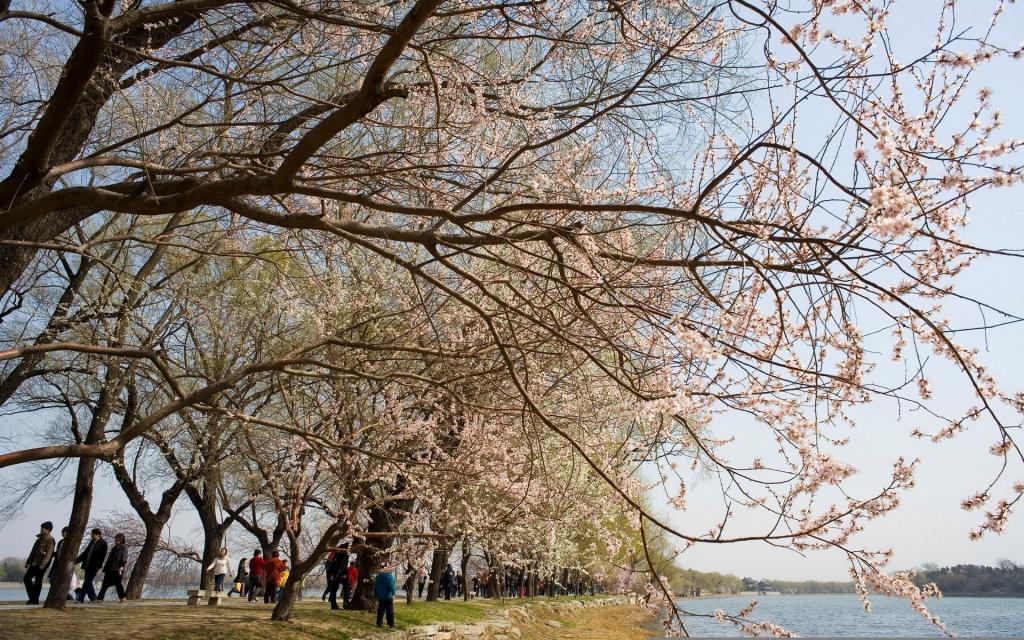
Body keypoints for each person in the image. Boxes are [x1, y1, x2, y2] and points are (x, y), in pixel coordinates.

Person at [23, 521, 55, 605]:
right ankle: (33, 598)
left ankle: (34, 600)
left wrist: (42, 565)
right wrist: (28, 562)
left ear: (48, 529)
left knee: (38, 580)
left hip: (42, 564)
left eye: (43, 528)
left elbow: (48, 554)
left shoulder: (50, 540)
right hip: (34, 563)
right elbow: (33, 551)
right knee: (26, 578)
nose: (41, 529)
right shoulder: (39, 538)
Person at [75, 528, 107, 603]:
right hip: (87, 564)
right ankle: (93, 597)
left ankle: (80, 598)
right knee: (88, 582)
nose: (91, 536)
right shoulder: (92, 542)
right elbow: (85, 553)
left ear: (97, 535)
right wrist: (76, 561)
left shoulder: (103, 543)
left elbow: (102, 556)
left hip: (94, 566)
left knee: (87, 581)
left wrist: (99, 566)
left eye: (92, 534)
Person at [97, 533, 128, 602]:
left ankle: (123, 597)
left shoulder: (124, 547)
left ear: (121, 539)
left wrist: (121, 567)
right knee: (104, 584)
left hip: (118, 569)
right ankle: (100, 598)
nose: (115, 540)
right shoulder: (114, 548)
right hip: (109, 568)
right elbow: (110, 558)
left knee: (118, 584)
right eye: (115, 539)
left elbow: (124, 558)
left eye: (117, 539)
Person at [49, 526, 73, 601]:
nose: (63, 534)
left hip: (65, 565)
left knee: (61, 581)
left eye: (64, 532)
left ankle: (68, 596)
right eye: (62, 532)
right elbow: (57, 552)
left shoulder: (71, 542)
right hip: (57, 564)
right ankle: (63, 596)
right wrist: (50, 554)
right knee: (51, 579)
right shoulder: (60, 542)